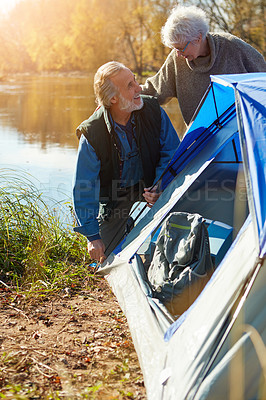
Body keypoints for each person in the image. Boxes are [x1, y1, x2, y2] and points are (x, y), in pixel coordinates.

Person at [72, 61, 180, 263]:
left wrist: (160, 185)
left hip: (150, 183)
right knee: (104, 259)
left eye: (135, 81)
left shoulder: (154, 111)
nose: (139, 88)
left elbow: (172, 152)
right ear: (113, 98)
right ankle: (126, 226)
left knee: (175, 233)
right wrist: (92, 237)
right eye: (130, 85)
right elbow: (84, 186)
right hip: (115, 195)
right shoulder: (92, 133)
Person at [141, 5, 266, 126]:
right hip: (202, 138)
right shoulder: (176, 60)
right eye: (175, 49)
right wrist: (127, 92)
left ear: (198, 38)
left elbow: (262, 81)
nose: (177, 54)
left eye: (180, 48)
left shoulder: (233, 47)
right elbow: (155, 91)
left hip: (242, 134)